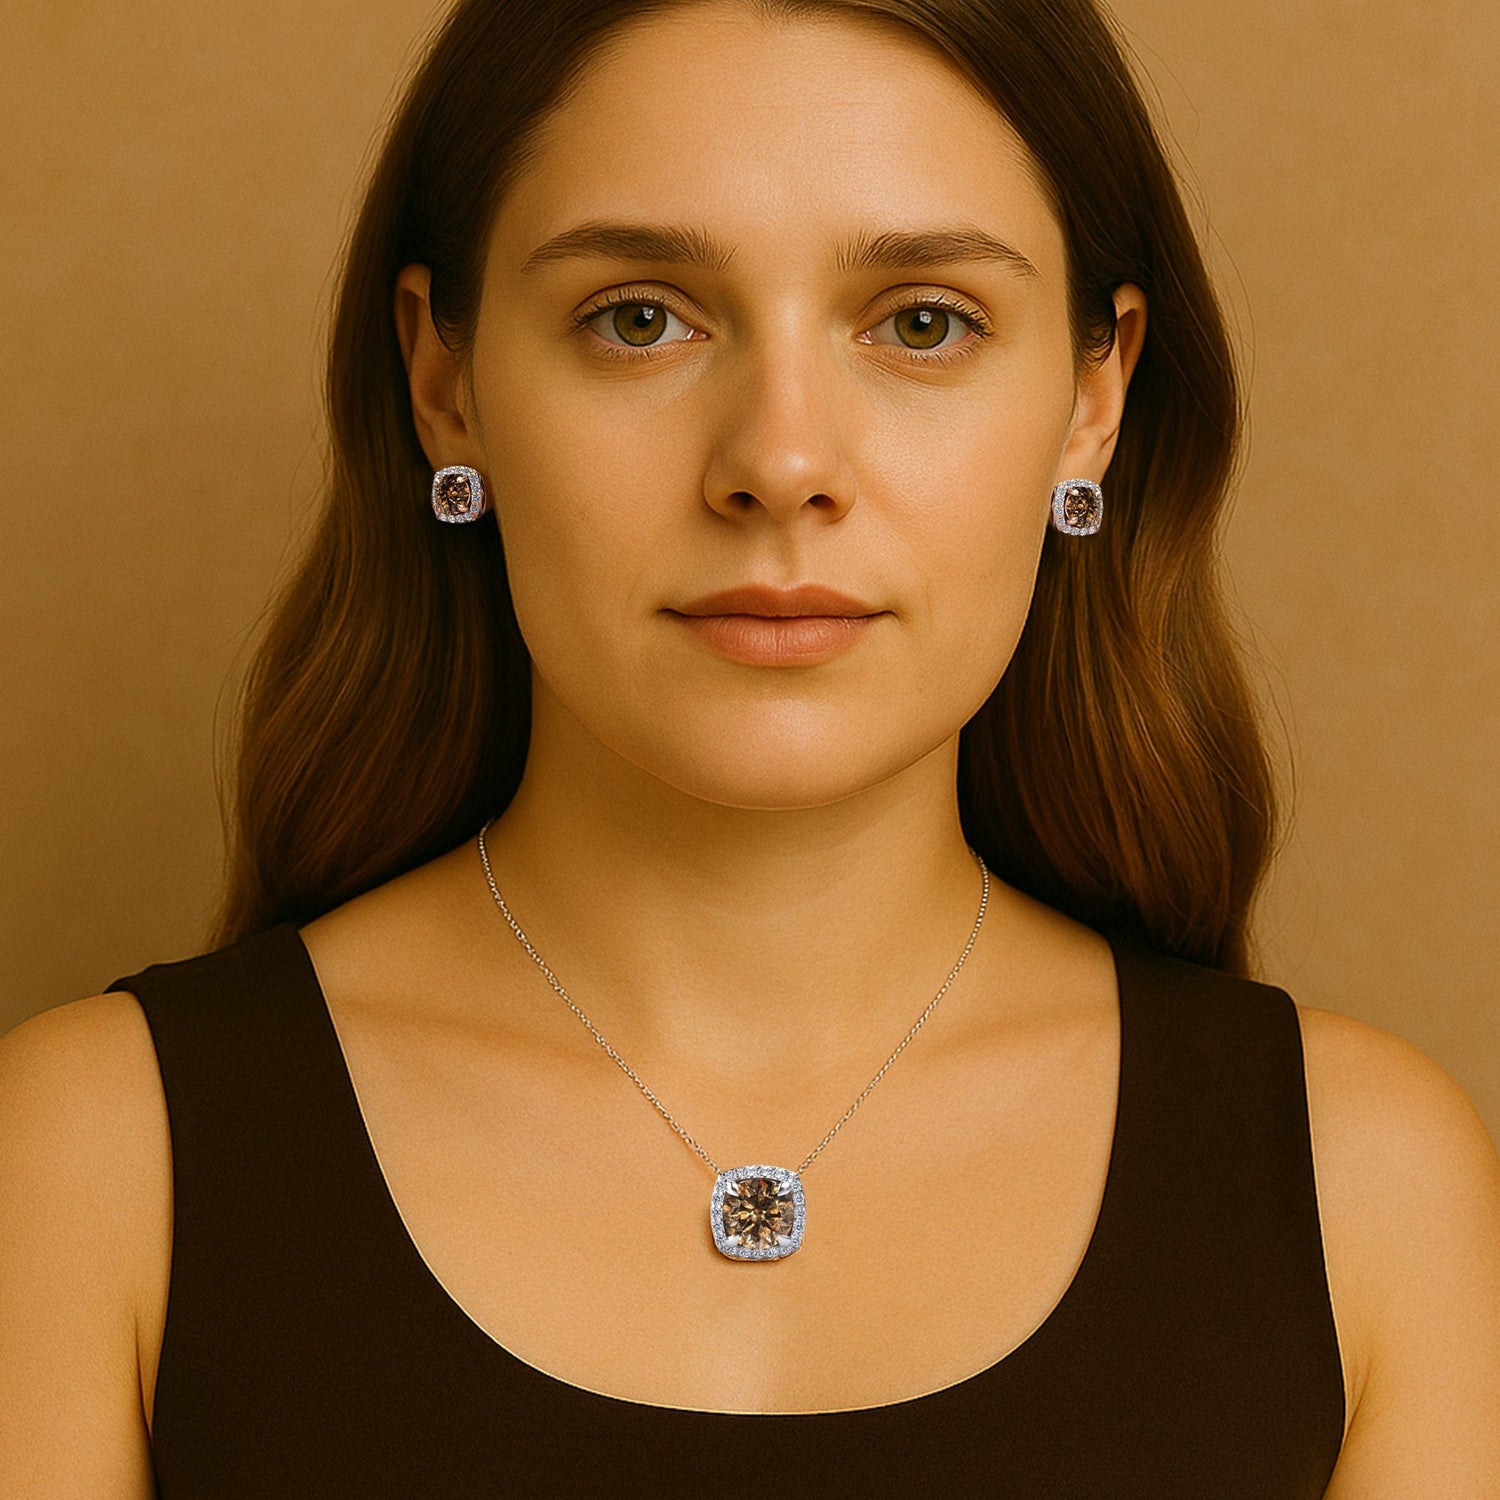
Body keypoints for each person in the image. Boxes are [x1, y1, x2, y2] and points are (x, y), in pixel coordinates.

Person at [2, 0, 1497, 1493]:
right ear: (442, 387)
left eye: (923, 322)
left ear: (1092, 403)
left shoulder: (1364, 1192)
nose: (780, 462)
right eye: (640, 316)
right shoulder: (90, 1166)